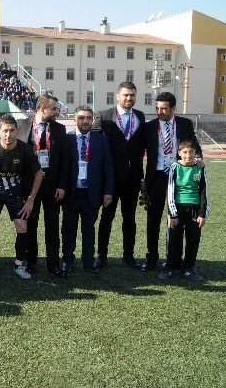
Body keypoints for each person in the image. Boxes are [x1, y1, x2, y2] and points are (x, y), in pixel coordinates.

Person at [0, 114, 43, 279]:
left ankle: (19, 265)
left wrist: (30, 200)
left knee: (22, 226)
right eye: (5, 130)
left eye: (12, 130)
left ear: (17, 131)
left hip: (14, 191)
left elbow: (39, 174)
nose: (9, 134)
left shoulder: (24, 149)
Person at [142, 92, 201, 271]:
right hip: (156, 177)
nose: (159, 112)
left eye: (164, 109)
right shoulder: (149, 126)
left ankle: (173, 260)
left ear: (173, 109)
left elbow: (194, 145)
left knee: (176, 219)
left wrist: (199, 158)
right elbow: (138, 152)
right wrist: (141, 179)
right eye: (157, 108)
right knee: (153, 220)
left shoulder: (184, 124)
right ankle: (152, 258)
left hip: (178, 176)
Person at [93, 82, 145, 269]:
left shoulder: (140, 116)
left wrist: (141, 178)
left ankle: (128, 255)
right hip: (111, 178)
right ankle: (101, 255)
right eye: (125, 95)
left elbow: (139, 150)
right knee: (107, 217)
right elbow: (95, 145)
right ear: (117, 96)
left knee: (129, 218)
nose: (129, 98)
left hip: (132, 178)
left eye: (132, 95)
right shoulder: (104, 116)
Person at [16, 94, 68, 275]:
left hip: (53, 186)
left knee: (52, 226)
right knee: (30, 225)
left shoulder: (60, 129)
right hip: (29, 185)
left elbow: (64, 160)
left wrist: (62, 185)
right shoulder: (22, 125)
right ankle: (30, 262)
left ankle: (53, 264)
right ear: (42, 108)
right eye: (54, 109)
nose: (56, 112)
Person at [60, 106, 114, 275]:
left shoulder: (101, 140)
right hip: (71, 193)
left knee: (89, 229)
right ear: (74, 120)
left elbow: (108, 167)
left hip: (92, 193)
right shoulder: (66, 139)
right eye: (81, 118)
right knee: (68, 229)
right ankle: (67, 260)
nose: (85, 121)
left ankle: (88, 261)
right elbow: (61, 167)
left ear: (92, 120)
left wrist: (108, 191)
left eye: (89, 118)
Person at [160, 140, 209, 281]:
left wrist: (202, 213)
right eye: (185, 152)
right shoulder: (174, 167)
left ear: (195, 153)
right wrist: (172, 214)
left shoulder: (200, 168)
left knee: (193, 239)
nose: (188, 155)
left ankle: (188, 268)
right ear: (179, 153)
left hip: (194, 208)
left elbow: (204, 192)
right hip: (177, 208)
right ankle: (169, 266)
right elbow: (170, 191)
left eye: (191, 152)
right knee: (173, 238)